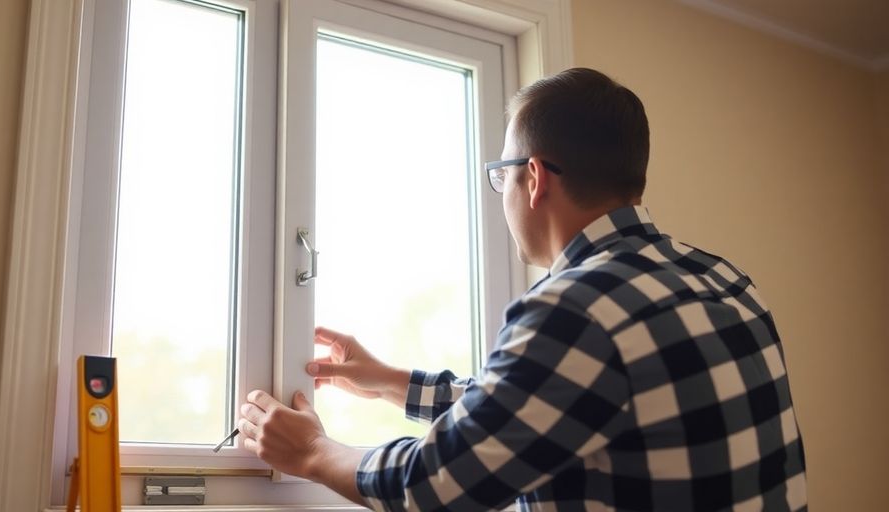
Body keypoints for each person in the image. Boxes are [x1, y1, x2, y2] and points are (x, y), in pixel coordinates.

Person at [237, 67, 807, 511]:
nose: (502, 192)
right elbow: (540, 405)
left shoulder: (576, 309)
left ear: (533, 178)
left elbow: (433, 486)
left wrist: (313, 451)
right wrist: (391, 382)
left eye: (501, 174)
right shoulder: (723, 279)